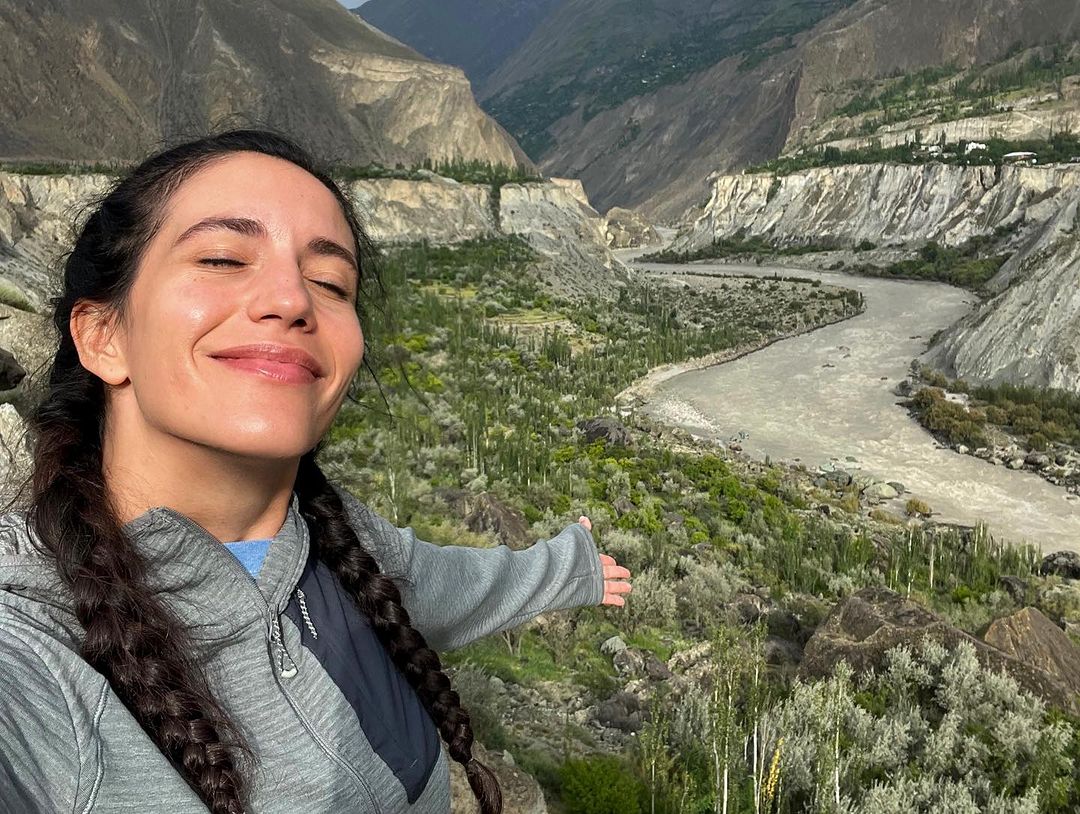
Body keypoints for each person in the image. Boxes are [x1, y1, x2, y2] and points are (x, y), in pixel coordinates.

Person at [0, 130, 632, 814]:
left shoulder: (343, 543)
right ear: (103, 335)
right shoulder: (31, 648)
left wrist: (574, 565)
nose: (292, 299)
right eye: (222, 258)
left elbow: (459, 586)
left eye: (330, 283)